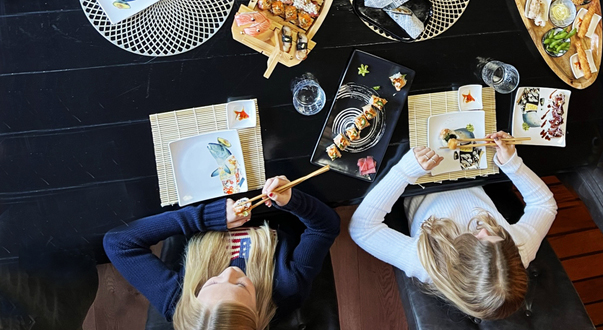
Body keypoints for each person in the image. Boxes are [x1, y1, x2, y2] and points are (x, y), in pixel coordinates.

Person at [349, 132, 557, 319]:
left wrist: (404, 172)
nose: (484, 230)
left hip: (419, 172)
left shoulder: (425, 263)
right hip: (467, 165)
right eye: (497, 236)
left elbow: (362, 229)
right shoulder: (516, 250)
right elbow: (545, 205)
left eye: (479, 238)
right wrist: (513, 164)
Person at [103, 175, 340, 328]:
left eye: (212, 283)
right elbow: (325, 228)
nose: (230, 272)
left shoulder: (180, 300)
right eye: (241, 286)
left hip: (204, 192)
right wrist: (292, 201)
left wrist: (207, 217)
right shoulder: (288, 287)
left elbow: (119, 243)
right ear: (257, 312)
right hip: (270, 196)